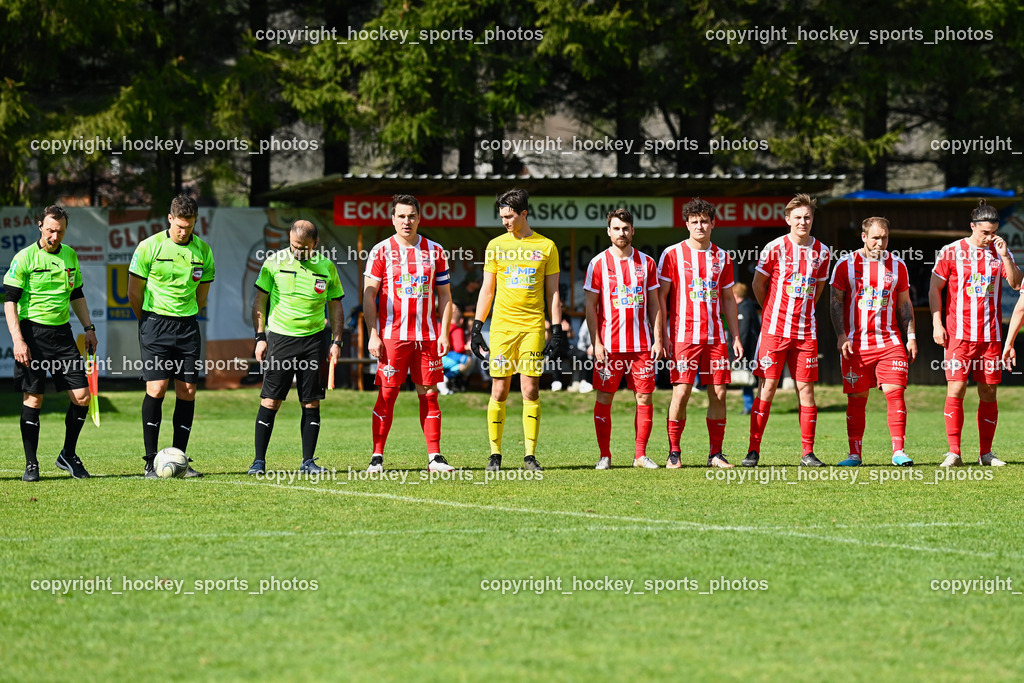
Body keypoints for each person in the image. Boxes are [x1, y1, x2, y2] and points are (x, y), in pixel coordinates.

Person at [470, 188, 564, 472]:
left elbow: (553, 293)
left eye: (510, 216)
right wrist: (477, 327)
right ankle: (495, 454)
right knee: (499, 388)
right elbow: (487, 289)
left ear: (524, 213)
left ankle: (529, 455)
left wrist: (557, 329)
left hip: (532, 327)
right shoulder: (495, 245)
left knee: (530, 388)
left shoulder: (546, 246)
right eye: (502, 217)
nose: (505, 222)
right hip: (501, 328)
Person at [3, 206, 98, 481]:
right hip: (32, 334)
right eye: (50, 230)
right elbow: (9, 302)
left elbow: (76, 293)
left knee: (82, 397)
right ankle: (31, 464)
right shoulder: (25, 258)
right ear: (40, 226)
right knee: (34, 399)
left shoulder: (70, 255)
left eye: (60, 231)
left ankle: (68, 454)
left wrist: (88, 328)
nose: (55, 236)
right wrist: (18, 340)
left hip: (62, 335)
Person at [363, 194, 455, 473]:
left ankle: (435, 457)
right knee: (388, 394)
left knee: (429, 393)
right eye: (401, 216)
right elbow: (369, 297)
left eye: (411, 215)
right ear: (393, 219)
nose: (407, 221)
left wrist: (444, 332)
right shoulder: (381, 251)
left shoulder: (435, 250)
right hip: (392, 336)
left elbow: (446, 297)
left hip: (427, 336)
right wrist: (373, 334)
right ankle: (377, 457)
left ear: (419, 218)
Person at [128, 194, 215, 477]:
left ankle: (180, 460)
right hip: (154, 325)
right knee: (156, 389)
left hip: (188, 326)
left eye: (188, 226)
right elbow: (133, 292)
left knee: (187, 391)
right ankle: (150, 460)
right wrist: (148, 322)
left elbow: (202, 295)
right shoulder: (149, 247)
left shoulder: (203, 250)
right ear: (170, 219)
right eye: (179, 225)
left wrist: (185, 315)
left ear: (195, 223)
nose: (183, 231)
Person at [248, 220, 344, 475]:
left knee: (311, 403)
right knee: (270, 401)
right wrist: (260, 337)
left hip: (314, 341)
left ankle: (308, 462)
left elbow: (335, 305)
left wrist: (336, 341)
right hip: (281, 339)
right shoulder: (273, 263)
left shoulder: (326, 267)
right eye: (293, 245)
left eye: (303, 247)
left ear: (315, 244)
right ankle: (258, 462)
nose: (297, 251)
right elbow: (260, 300)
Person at [930, 200, 1022, 466]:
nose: (988, 237)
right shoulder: (951, 251)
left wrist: (1005, 255)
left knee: (989, 393)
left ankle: (986, 453)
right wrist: (937, 323)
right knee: (956, 389)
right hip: (958, 335)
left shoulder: (1000, 251)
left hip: (991, 336)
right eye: (984, 232)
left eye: (993, 232)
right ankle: (954, 452)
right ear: (973, 227)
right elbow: (934, 288)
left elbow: (1016, 285)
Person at [745, 193, 831, 467]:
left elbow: (817, 290)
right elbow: (759, 286)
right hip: (774, 330)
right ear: (787, 220)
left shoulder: (823, 252)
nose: (803, 222)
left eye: (807, 217)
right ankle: (753, 450)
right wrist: (772, 310)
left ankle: (807, 453)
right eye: (797, 218)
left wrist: (801, 312)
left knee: (806, 391)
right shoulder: (774, 248)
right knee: (767, 388)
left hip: (806, 333)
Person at [658, 198, 742, 468]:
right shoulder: (672, 254)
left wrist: (736, 336)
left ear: (713, 223)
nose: (700, 226)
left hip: (716, 337)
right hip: (684, 337)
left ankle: (715, 454)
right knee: (681, 393)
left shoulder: (723, 256)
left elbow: (728, 299)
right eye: (694, 221)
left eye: (704, 221)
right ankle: (674, 452)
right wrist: (663, 335)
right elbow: (661, 297)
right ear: (686, 224)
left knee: (718, 393)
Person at [829, 217, 918, 466]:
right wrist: (841, 335)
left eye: (885, 237)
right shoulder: (846, 264)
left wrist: (910, 336)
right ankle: (854, 454)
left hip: (890, 342)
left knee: (895, 393)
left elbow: (904, 304)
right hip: (855, 345)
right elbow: (835, 302)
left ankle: (898, 451)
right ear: (864, 237)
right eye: (876, 237)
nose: (880, 242)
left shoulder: (898, 265)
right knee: (857, 400)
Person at [584, 208, 663, 469]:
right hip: (609, 346)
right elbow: (591, 307)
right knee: (604, 398)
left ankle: (640, 456)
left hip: (641, 347)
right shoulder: (598, 263)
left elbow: (655, 304)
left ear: (633, 230)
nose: (622, 233)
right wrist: (596, 342)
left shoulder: (647, 263)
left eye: (626, 228)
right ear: (609, 231)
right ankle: (604, 455)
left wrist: (658, 338)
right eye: (616, 228)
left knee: (644, 398)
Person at [732, 282, 759, 414]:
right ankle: (751, 406)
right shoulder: (749, 305)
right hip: (750, 348)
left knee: (746, 378)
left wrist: (738, 351)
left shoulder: (743, 309)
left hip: (747, 350)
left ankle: (750, 406)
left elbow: (744, 332)